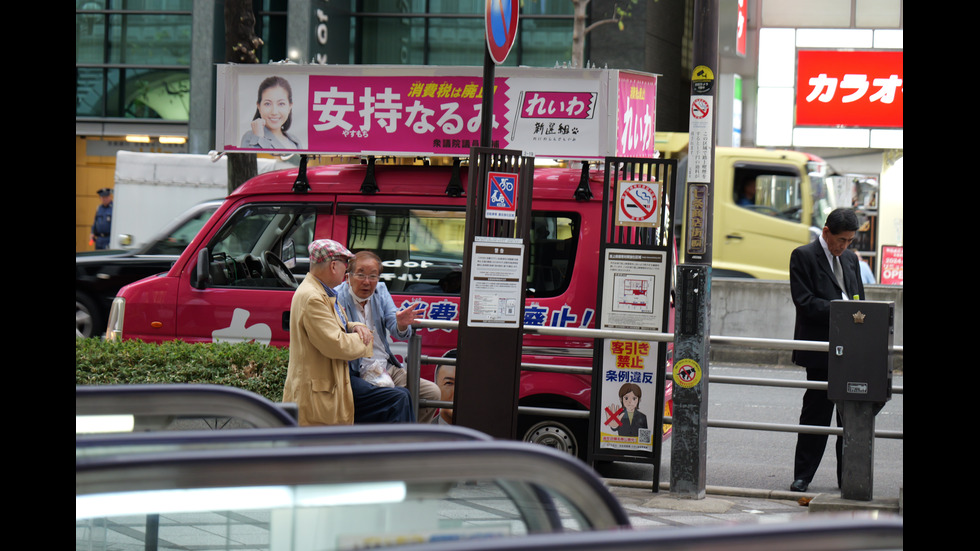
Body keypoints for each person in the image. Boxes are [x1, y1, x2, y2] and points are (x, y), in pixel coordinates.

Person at [282, 239, 414, 426]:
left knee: (401, 397)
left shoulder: (320, 291)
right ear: (334, 265)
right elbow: (337, 345)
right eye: (346, 265)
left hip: (328, 385)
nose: (347, 271)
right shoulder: (313, 297)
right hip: (319, 390)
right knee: (398, 399)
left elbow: (336, 322)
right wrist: (366, 338)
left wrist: (353, 326)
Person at [788, 208, 865, 492]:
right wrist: (842, 311)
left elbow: (860, 300)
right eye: (841, 240)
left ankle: (848, 479)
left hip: (852, 346)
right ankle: (803, 476)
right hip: (821, 348)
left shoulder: (850, 259)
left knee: (850, 417)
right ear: (826, 232)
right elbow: (804, 301)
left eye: (849, 241)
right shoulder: (803, 256)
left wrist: (858, 315)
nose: (844, 246)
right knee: (816, 414)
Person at [335, 250, 442, 423]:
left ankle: (409, 437)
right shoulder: (337, 296)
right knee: (398, 397)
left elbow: (396, 327)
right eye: (361, 275)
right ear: (348, 277)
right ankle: (399, 443)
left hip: (384, 366)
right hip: (356, 370)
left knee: (432, 393)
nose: (367, 282)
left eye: (373, 276)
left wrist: (400, 323)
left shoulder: (381, 291)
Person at [240, 76, 302, 149]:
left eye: (281, 104)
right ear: (259, 106)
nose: (274, 112)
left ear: (290, 106)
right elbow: (254, 160)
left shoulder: (294, 141)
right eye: (267, 104)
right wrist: (258, 137)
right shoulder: (251, 137)